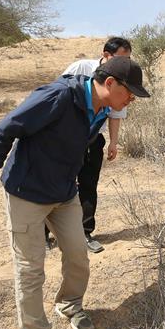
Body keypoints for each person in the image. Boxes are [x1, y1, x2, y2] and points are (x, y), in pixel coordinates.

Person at [0, 56, 150, 329]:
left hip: (64, 193)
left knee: (79, 253)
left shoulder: (102, 108)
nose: (131, 100)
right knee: (30, 268)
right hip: (26, 192)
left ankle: (69, 303)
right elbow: (4, 128)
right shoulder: (58, 96)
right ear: (110, 84)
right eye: (130, 93)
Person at [45, 36, 132, 254]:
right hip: (66, 137)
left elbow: (116, 113)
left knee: (88, 185)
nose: (125, 63)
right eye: (121, 58)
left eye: (128, 59)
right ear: (106, 55)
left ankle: (85, 232)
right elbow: (57, 94)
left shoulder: (122, 80)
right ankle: (42, 234)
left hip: (94, 138)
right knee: (55, 183)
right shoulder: (81, 67)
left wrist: (113, 142)